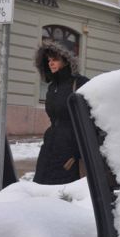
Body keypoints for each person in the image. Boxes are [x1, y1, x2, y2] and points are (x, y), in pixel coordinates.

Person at [33, 40, 89, 185]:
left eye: (55, 59)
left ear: (67, 60)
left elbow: (91, 118)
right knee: (41, 188)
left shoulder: (81, 83)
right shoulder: (52, 87)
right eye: (49, 60)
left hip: (70, 150)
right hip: (50, 146)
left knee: (64, 194)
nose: (51, 63)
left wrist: (78, 151)